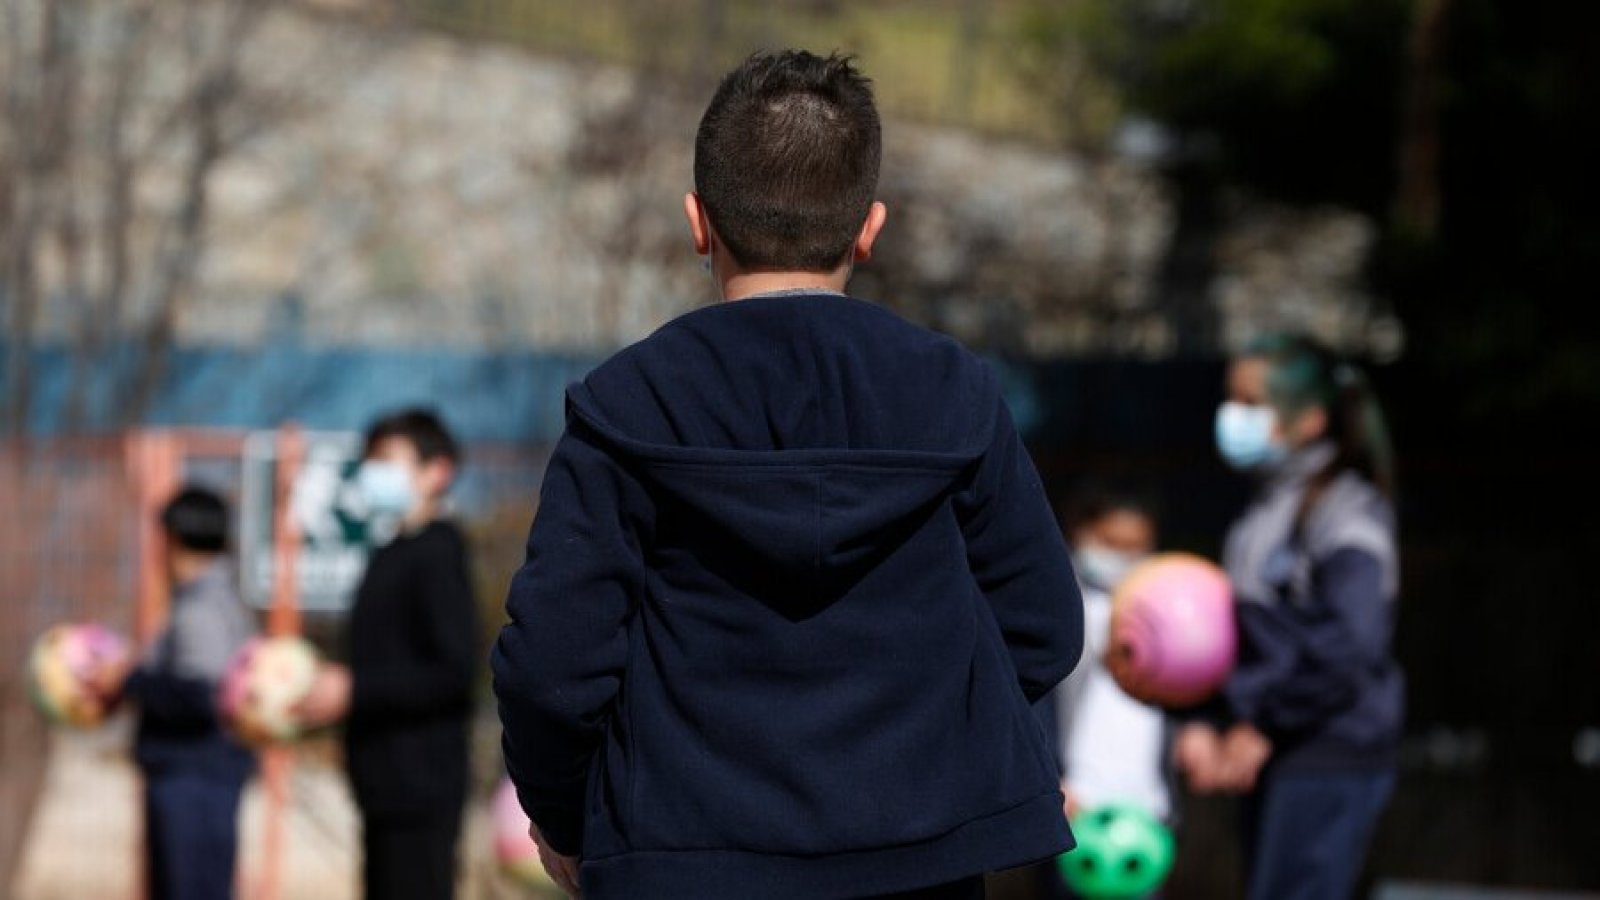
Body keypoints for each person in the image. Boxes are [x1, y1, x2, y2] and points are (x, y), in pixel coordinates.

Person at [492, 50, 1084, 900]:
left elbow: (553, 663)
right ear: (869, 229)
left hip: (681, 858)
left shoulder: (628, 403)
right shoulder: (952, 391)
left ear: (699, 223)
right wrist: (923, 757)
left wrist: (566, 813)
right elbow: (1043, 624)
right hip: (920, 858)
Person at [1174, 334, 1402, 900]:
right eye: (1232, 401)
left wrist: (1264, 723)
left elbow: (1350, 648)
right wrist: (1204, 719)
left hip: (1327, 752)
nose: (1232, 417)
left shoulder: (1347, 516)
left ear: (1310, 421)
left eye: (1252, 404)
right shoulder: (1262, 508)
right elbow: (1241, 642)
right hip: (1278, 749)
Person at [295, 409, 482, 900]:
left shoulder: (439, 550)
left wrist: (355, 689)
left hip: (420, 785)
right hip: (382, 784)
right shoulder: (390, 550)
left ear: (436, 470)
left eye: (387, 459)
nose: (372, 473)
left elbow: (452, 669)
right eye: (368, 461)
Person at [90, 486, 258, 900]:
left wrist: (128, 681)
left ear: (173, 538)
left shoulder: (201, 607)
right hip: (201, 773)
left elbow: (199, 696)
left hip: (194, 777)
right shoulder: (216, 599)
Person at [1033, 486, 1168, 900]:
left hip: (1147, 807)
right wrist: (1047, 775)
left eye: (1135, 547)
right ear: (1081, 532)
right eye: (1111, 543)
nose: (1121, 558)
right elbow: (1036, 697)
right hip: (1076, 804)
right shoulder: (1056, 606)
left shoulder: (1166, 609)